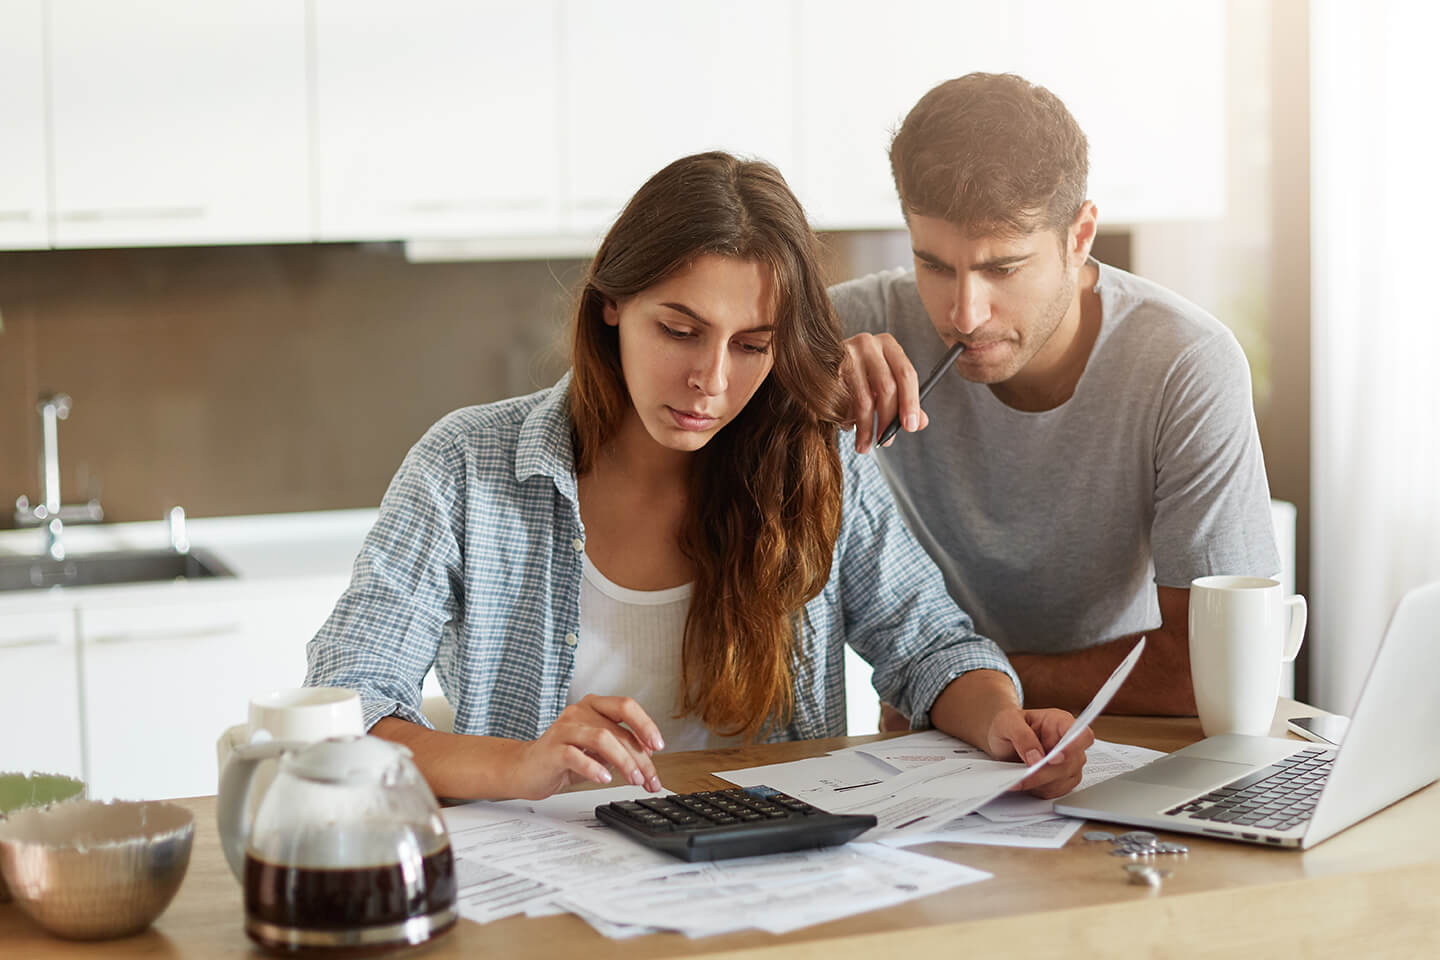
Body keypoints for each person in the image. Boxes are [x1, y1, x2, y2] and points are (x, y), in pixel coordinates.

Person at [305, 151, 1093, 802]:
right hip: (547, 884)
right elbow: (340, 712)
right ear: (612, 302)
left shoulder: (813, 464)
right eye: (680, 331)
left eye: (752, 345)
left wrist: (1001, 723)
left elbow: (931, 648)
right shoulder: (466, 470)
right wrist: (518, 767)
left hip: (769, 875)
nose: (710, 381)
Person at [833, 73, 1280, 720]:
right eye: (933, 265)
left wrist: (956, 683)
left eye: (1002, 268)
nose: (964, 312)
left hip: (1124, 740)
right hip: (931, 753)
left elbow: (1205, 668)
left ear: (1079, 237)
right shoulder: (855, 331)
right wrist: (799, 385)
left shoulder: (1186, 364)